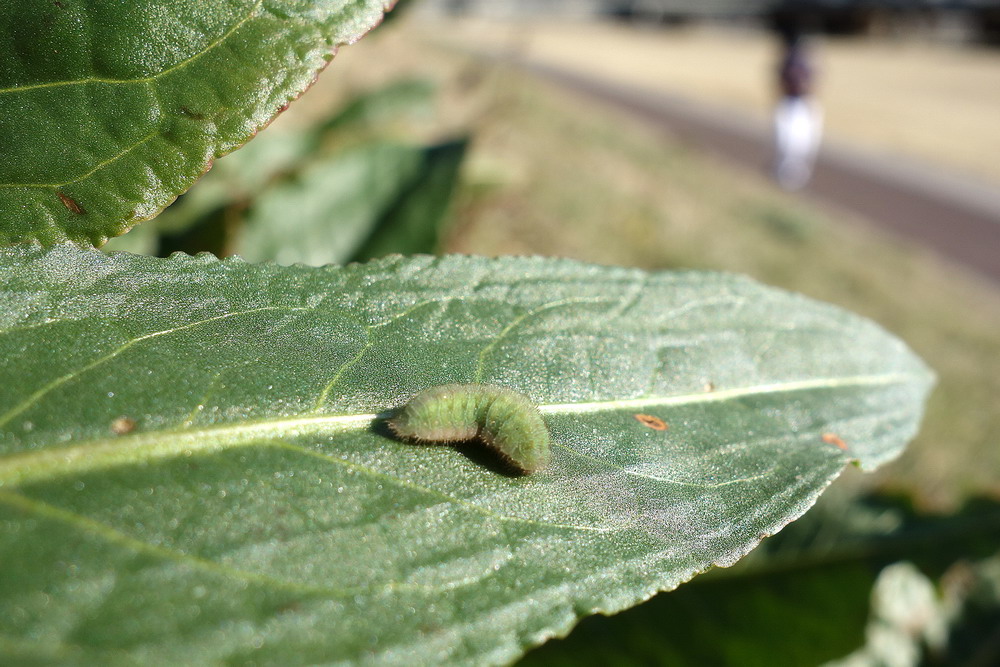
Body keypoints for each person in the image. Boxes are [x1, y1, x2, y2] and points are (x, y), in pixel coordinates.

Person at [773, 33, 823, 191]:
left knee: (802, 143)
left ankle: (796, 176)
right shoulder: (787, 63)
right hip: (790, 102)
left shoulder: (806, 64)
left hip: (803, 104)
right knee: (787, 142)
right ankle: (786, 175)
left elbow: (812, 83)